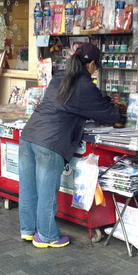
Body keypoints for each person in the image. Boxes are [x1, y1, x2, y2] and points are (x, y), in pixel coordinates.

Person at [18, 42, 120, 248]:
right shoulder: (84, 86)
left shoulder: (59, 77)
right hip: (50, 142)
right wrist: (117, 110)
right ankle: (47, 236)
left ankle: (28, 230)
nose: (96, 71)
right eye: (97, 66)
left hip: (29, 136)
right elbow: (109, 115)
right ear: (91, 64)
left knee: (28, 188)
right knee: (47, 192)